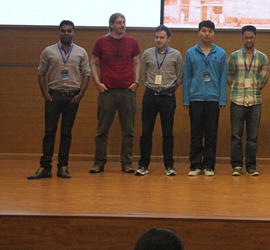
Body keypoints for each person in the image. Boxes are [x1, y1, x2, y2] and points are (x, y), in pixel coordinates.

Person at [27, 20, 91, 180]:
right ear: (59, 32)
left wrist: (80, 95)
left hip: (72, 97)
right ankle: (45, 167)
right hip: (53, 96)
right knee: (49, 132)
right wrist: (45, 94)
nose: (66, 33)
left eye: (69, 31)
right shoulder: (48, 51)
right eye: (63, 31)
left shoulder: (81, 52)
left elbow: (86, 74)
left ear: (74, 33)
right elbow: (41, 73)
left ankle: (63, 167)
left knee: (66, 132)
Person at [90, 12, 141, 174]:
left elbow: (136, 62)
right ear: (111, 25)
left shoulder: (132, 42)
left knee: (128, 130)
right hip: (107, 92)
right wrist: (97, 83)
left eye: (124, 22)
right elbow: (93, 62)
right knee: (102, 130)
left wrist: (136, 82)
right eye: (119, 22)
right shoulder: (101, 42)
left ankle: (126, 163)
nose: (122, 25)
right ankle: (99, 162)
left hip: (127, 91)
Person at [136, 25, 184, 177]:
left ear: (168, 39)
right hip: (150, 95)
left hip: (167, 97)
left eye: (162, 37)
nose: (158, 40)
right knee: (146, 132)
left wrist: (167, 89)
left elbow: (179, 78)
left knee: (168, 132)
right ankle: (143, 166)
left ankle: (169, 166)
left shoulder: (176, 54)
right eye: (156, 37)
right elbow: (142, 76)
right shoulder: (147, 53)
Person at [182, 20, 227, 176]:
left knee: (211, 134)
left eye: (210, 31)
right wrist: (186, 99)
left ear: (213, 33)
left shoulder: (220, 53)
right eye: (204, 31)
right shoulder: (191, 53)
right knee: (196, 133)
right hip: (195, 98)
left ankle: (209, 165)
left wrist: (222, 99)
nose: (207, 34)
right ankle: (195, 165)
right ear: (199, 33)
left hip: (213, 99)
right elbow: (187, 77)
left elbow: (222, 78)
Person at [228, 25, 269, 176]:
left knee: (253, 137)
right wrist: (238, 88)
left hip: (255, 102)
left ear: (255, 38)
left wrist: (253, 88)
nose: (249, 40)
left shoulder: (262, 58)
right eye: (246, 37)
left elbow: (263, 80)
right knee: (236, 136)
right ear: (242, 38)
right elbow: (229, 77)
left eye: (251, 37)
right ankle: (237, 166)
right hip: (237, 101)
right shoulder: (234, 56)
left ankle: (251, 166)